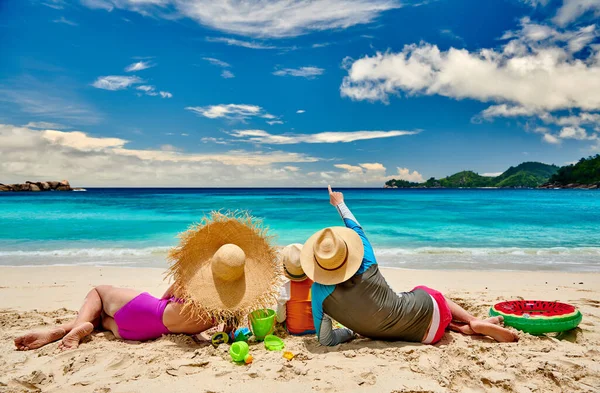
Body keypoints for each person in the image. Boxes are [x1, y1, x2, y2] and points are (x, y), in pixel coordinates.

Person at [15, 211, 281, 351]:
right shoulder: (230, 310)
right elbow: (229, 334)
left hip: (144, 313)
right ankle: (69, 329)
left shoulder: (191, 284)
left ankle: (76, 326)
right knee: (103, 323)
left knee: (98, 292)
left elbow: (165, 298)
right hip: (137, 334)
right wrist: (197, 332)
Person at [299, 185, 519, 347]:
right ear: (347, 250)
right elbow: (356, 228)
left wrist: (349, 332)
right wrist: (339, 203)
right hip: (431, 313)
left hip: (426, 337)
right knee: (421, 291)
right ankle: (473, 321)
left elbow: (326, 340)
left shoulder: (318, 292)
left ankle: (463, 327)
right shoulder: (365, 258)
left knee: (402, 316)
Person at [275, 244, 316, 335]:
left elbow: (280, 318)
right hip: (315, 329)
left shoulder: (285, 288)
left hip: (295, 331)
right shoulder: (316, 284)